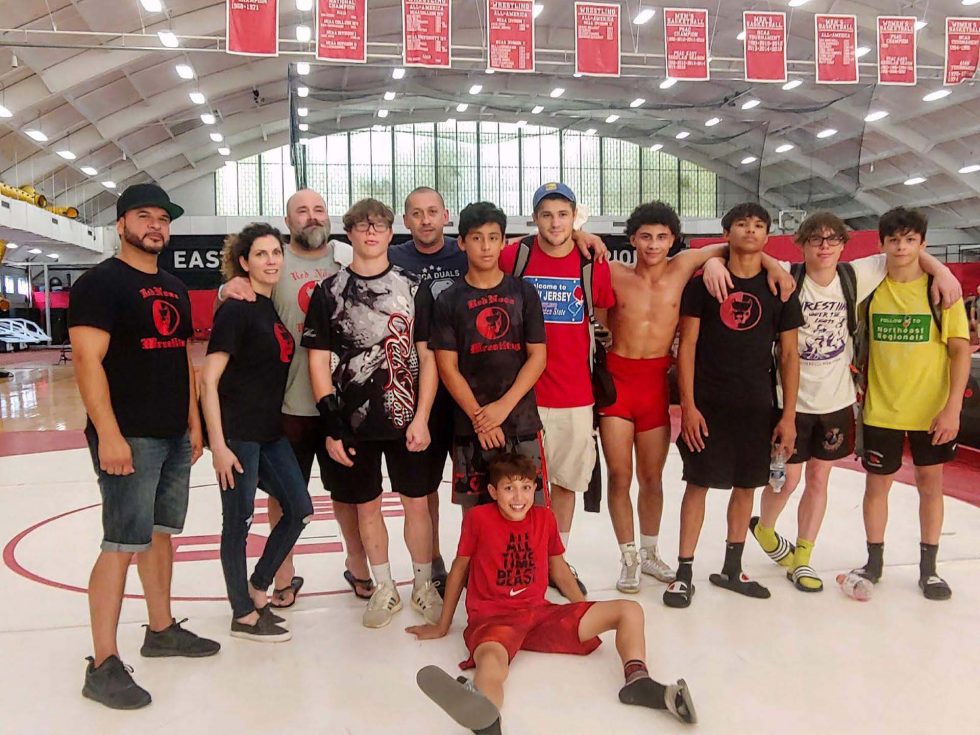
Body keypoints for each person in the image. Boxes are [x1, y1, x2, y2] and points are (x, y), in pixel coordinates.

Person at [406, 453, 697, 735]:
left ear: (534, 489)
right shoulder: (478, 519)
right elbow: (459, 569)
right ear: (493, 492)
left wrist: (583, 609)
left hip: (539, 614)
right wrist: (443, 624)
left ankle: (638, 680)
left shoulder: (545, 518)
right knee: (492, 662)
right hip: (493, 619)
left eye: (525, 487)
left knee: (630, 610)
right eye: (509, 488)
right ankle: (486, 717)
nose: (518, 497)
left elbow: (558, 569)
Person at [749, 211, 962, 592]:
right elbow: (742, 251)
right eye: (816, 239)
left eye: (833, 239)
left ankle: (802, 558)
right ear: (801, 244)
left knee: (819, 479)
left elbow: (907, 251)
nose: (825, 246)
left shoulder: (857, 276)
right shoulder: (788, 275)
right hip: (794, 400)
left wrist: (943, 272)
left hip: (838, 401)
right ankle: (765, 529)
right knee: (786, 480)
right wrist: (760, 262)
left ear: (844, 245)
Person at [69, 183, 220, 710]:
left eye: (163, 218)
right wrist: (108, 434)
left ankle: (160, 630)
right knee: (121, 544)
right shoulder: (99, 284)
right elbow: (87, 361)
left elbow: (180, 356)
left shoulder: (174, 287)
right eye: (143, 216)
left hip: (173, 434)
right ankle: (103, 663)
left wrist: (193, 422)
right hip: (128, 436)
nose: (155, 225)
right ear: (121, 224)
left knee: (159, 535)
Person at [595, 201, 794, 594]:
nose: (653, 245)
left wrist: (770, 265)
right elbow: (584, 271)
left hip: (655, 384)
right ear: (632, 239)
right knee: (619, 475)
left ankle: (650, 552)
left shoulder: (684, 265)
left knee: (651, 478)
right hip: (617, 382)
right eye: (645, 237)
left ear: (673, 240)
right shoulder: (614, 272)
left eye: (661, 237)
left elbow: (737, 246)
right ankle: (629, 557)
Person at [218, 189, 371, 604]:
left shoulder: (345, 258)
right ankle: (282, 577)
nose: (312, 217)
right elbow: (237, 297)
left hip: (340, 404)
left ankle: (358, 567)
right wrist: (227, 288)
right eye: (302, 211)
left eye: (319, 209)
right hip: (287, 405)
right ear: (288, 222)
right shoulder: (274, 262)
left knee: (347, 496)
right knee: (284, 499)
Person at [303, 198, 443, 628]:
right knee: (367, 506)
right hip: (353, 422)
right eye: (362, 226)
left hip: (406, 418)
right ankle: (384, 587)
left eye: (378, 226)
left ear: (389, 232)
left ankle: (423, 584)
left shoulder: (412, 287)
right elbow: (317, 361)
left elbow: (428, 357)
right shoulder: (329, 291)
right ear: (349, 233)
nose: (370, 233)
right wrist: (332, 424)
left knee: (416, 503)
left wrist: (422, 416)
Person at [667, 202, 804, 609]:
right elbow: (687, 347)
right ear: (727, 233)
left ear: (768, 235)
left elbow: (789, 355)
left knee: (747, 486)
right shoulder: (702, 286)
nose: (750, 230)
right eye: (742, 224)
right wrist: (688, 406)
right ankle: (684, 573)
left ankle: (732, 568)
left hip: (757, 406)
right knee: (698, 484)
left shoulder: (779, 289)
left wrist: (789, 416)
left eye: (759, 225)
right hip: (708, 405)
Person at [200, 223, 314, 641]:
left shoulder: (266, 306)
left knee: (300, 509)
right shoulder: (236, 309)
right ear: (244, 262)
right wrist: (218, 445)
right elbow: (208, 379)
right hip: (238, 436)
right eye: (261, 254)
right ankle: (243, 614)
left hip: (269, 432)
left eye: (276, 253)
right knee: (238, 522)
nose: (271, 261)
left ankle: (258, 586)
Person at [850, 207, 971, 600]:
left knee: (930, 486)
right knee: (876, 487)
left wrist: (952, 409)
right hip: (880, 409)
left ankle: (929, 569)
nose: (901, 247)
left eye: (910, 240)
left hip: (931, 412)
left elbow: (960, 351)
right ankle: (873, 562)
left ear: (923, 243)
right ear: (881, 244)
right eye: (894, 240)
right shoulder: (870, 290)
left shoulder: (942, 293)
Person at [499, 182, 614, 594]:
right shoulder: (515, 256)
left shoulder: (591, 261)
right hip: (522, 395)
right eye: (546, 215)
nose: (555, 223)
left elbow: (603, 318)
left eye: (563, 215)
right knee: (520, 485)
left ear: (574, 217)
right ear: (534, 218)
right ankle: (523, 559)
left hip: (574, 395)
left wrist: (588, 238)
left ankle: (555, 560)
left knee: (565, 484)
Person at [423, 201, 548, 511]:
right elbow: (447, 367)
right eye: (477, 238)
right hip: (472, 427)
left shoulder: (524, 293)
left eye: (493, 237)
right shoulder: (448, 300)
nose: (486, 246)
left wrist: (503, 408)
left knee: (529, 512)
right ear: (462, 243)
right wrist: (482, 420)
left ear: (504, 242)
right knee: (477, 517)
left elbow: (538, 357)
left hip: (521, 421)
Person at [388, 187, 469, 594]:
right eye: (417, 213)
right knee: (425, 486)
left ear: (445, 215)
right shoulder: (391, 257)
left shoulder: (466, 251)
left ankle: (475, 560)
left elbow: (531, 245)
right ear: (405, 221)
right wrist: (229, 287)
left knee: (475, 485)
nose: (425, 220)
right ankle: (433, 561)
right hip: (419, 390)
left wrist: (583, 234)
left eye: (432, 212)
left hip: (466, 387)